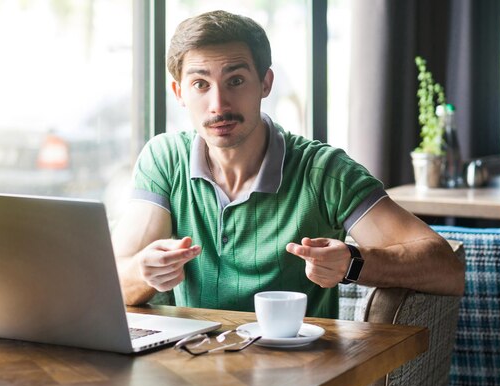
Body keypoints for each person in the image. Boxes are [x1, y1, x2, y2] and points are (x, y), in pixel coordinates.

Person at [112, 10, 464, 320]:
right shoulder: (164, 160)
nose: (218, 104)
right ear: (179, 93)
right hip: (188, 371)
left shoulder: (323, 171)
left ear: (265, 83)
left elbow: (447, 268)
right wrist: (145, 273)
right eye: (200, 84)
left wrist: (353, 263)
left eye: (235, 80)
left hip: (300, 381)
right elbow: (111, 282)